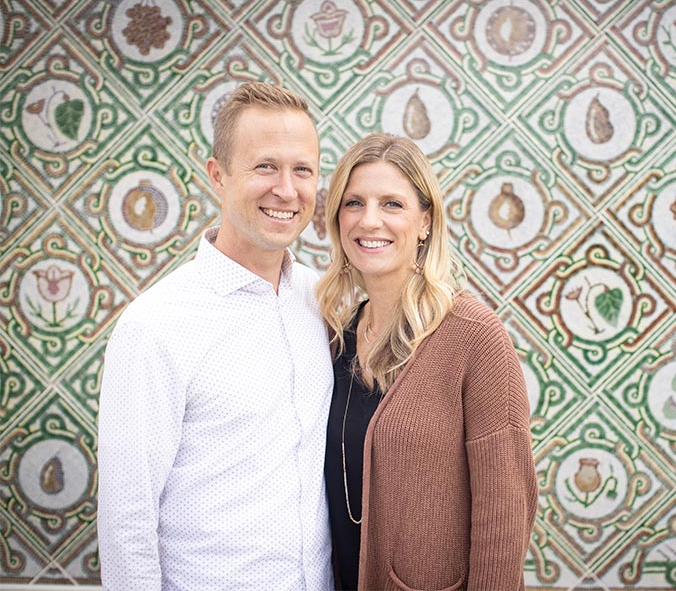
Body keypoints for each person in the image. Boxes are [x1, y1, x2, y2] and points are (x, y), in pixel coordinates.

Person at [97, 81, 334, 591]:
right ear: (217, 176)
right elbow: (126, 522)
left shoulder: (324, 303)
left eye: (303, 170)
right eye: (265, 166)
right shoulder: (155, 325)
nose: (287, 190)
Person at [316, 133, 538, 590]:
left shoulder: (472, 335)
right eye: (353, 203)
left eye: (392, 204)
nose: (369, 220)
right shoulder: (336, 336)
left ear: (425, 222)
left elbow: (506, 510)